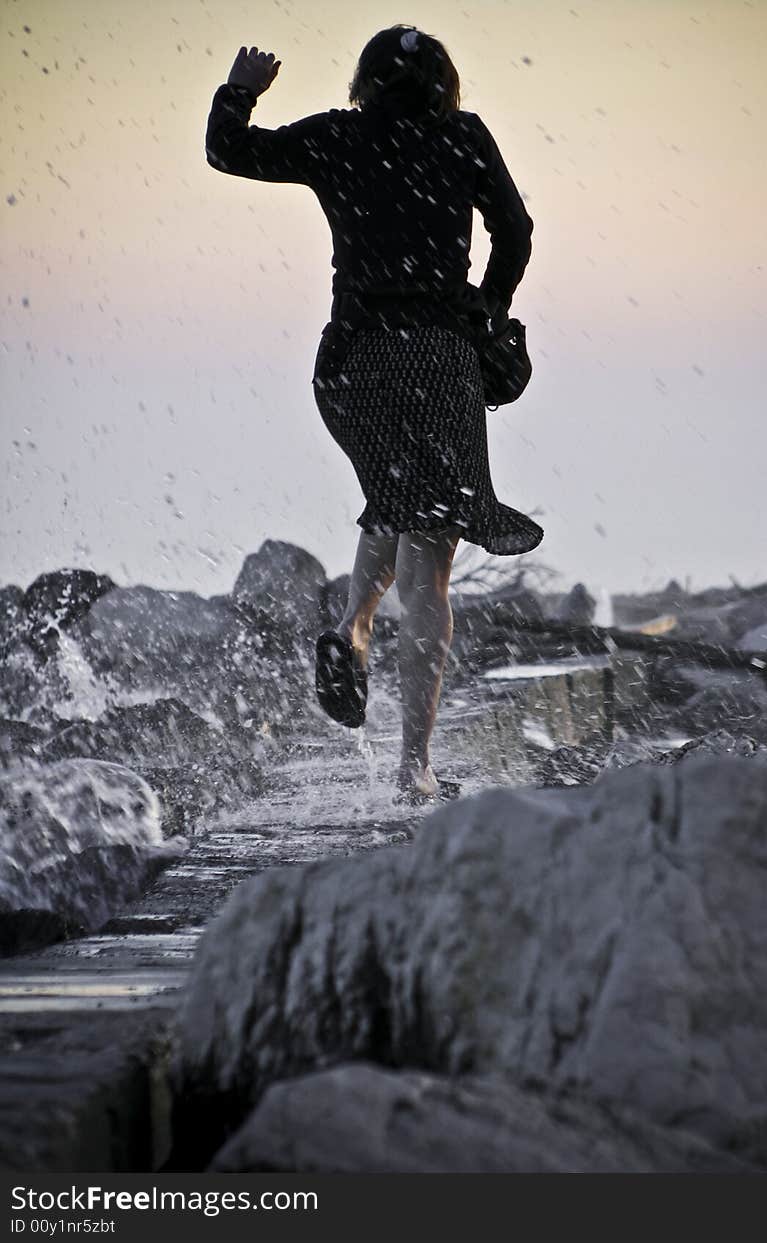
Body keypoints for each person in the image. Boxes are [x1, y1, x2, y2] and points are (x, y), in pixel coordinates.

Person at [206, 26, 542, 803]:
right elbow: (516, 234)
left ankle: (353, 628)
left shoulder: (338, 137)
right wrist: (486, 310)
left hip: (352, 362)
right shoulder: (460, 137)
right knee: (429, 564)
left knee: (395, 494)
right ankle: (413, 766)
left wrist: (240, 91)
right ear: (443, 84)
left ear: (365, 83)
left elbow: (231, 152)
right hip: (435, 356)